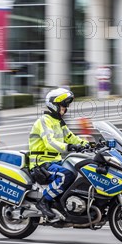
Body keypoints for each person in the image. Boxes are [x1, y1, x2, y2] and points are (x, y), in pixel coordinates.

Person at [28, 88, 89, 220]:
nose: (65, 108)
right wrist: (70, 147)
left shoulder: (59, 122)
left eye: (66, 106)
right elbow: (50, 142)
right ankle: (43, 201)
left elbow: (71, 137)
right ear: (53, 105)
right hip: (42, 162)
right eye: (63, 105)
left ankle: (64, 205)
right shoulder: (44, 120)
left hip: (55, 161)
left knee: (81, 172)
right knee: (66, 175)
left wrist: (87, 144)